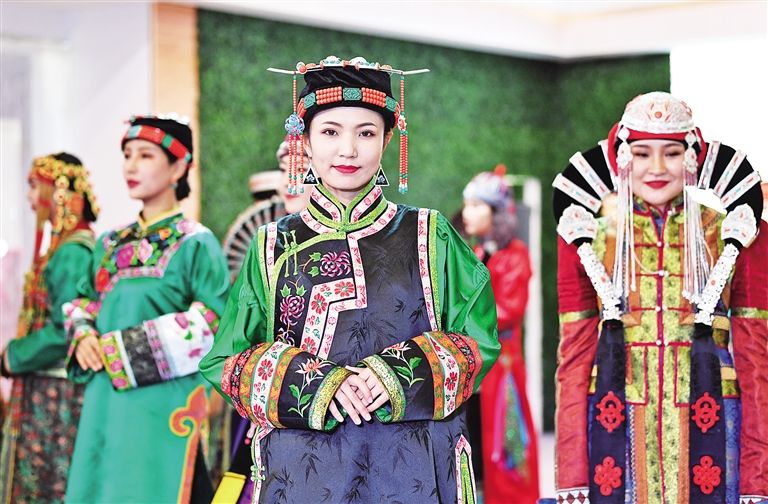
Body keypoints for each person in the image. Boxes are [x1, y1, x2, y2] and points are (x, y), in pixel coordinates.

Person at [200, 55, 500, 504]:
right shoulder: (271, 245)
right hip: (301, 474)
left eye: (366, 133)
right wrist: (319, 384)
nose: (348, 150)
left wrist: (395, 374)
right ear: (304, 140)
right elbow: (226, 359)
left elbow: (479, 340)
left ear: (388, 139)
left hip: (412, 468)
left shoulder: (429, 233)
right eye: (329, 132)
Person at [552, 92, 767, 503]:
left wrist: (758, 479)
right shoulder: (591, 240)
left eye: (671, 153)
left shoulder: (731, 235)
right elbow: (574, 360)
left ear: (692, 158)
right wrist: (572, 474)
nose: (656, 168)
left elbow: (756, 360)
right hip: (618, 420)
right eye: (642, 153)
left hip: (714, 420)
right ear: (622, 158)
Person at [63, 116, 230, 503]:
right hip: (103, 403)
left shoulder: (196, 243)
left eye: (145, 155)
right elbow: (84, 302)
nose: (131, 166)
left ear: (178, 167)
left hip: (161, 406)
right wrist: (83, 335)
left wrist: (120, 350)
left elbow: (213, 323)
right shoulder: (108, 244)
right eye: (127, 155)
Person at [0, 153, 98, 504]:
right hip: (49, 385)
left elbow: (65, 328)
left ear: (56, 193)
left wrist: (13, 356)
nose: (30, 197)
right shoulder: (66, 247)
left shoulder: (73, 253)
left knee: (49, 482)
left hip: (57, 391)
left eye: (33, 186)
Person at [461, 165, 539, 504]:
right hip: (475, 366)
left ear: (497, 212)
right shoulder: (478, 253)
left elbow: (509, 310)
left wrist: (465, 319)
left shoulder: (515, 255)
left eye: (476, 205)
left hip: (502, 368)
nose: (467, 212)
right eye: (467, 205)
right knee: (475, 444)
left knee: (506, 445)